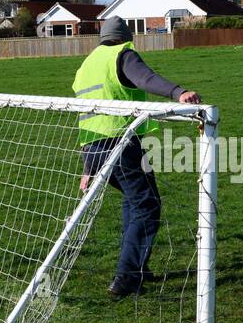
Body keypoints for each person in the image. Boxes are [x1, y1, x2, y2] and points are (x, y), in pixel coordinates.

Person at [73, 16, 203, 298]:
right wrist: (178, 93)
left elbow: (86, 114)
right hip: (120, 143)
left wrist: (88, 168)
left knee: (135, 202)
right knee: (147, 206)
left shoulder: (86, 65)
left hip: (92, 148)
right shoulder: (122, 55)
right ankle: (127, 278)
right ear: (125, 37)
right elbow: (146, 78)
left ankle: (137, 268)